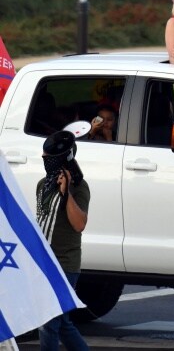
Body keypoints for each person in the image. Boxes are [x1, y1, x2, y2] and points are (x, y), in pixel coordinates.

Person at [36, 130, 90, 350]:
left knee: (48, 323)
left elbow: (79, 224)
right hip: (45, 261)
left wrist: (66, 193)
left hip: (65, 264)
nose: (43, 160)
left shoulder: (80, 187)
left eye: (48, 157)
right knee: (63, 324)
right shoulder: (42, 184)